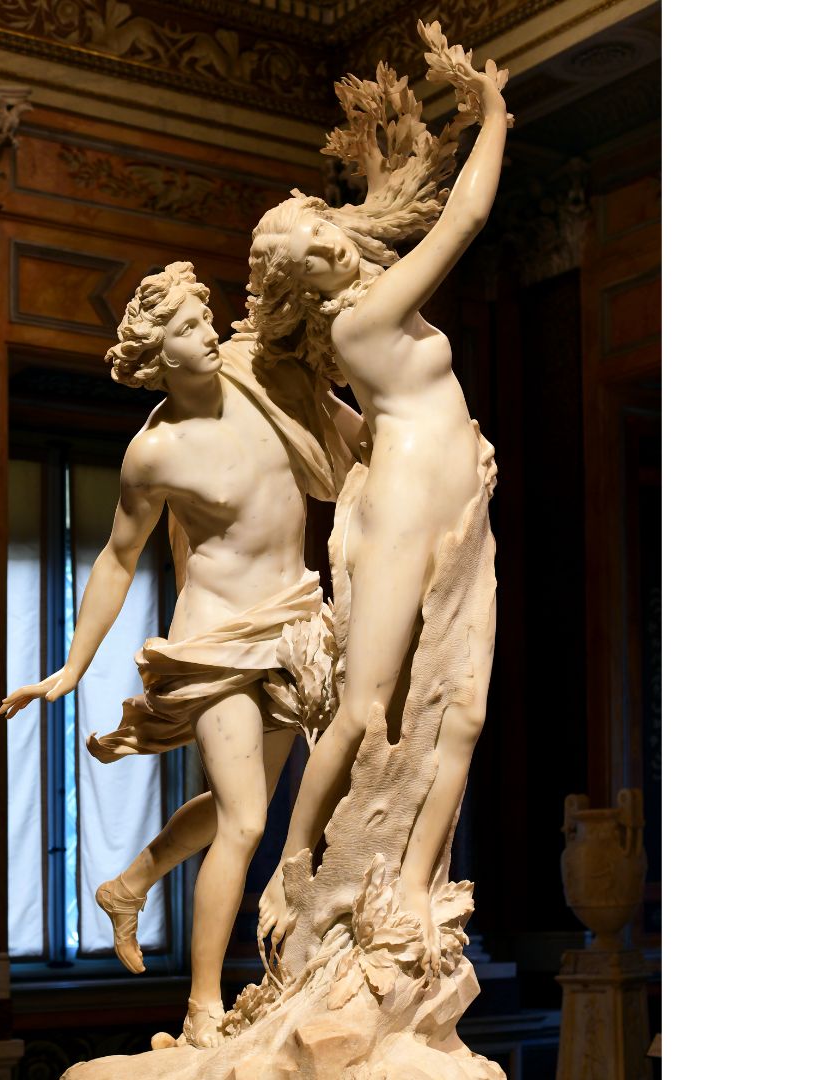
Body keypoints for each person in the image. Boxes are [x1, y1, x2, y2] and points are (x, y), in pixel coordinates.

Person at [0, 263, 362, 1046]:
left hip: (292, 626)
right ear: (160, 357)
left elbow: (346, 428)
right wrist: (72, 665)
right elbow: (117, 558)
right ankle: (203, 1006)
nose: (209, 334)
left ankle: (129, 884)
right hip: (213, 642)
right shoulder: (155, 453)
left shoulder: (261, 373)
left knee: (240, 807)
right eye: (191, 329)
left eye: (206, 319)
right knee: (246, 822)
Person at [252, 41, 509, 965]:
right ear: (304, 285)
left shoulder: (363, 317)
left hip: (455, 501)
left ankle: (415, 886)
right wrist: (492, 113)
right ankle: (290, 868)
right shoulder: (365, 319)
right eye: (307, 254)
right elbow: (466, 215)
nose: (327, 243)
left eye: (320, 227)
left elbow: (369, 426)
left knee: (464, 710)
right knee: (363, 707)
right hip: (408, 506)